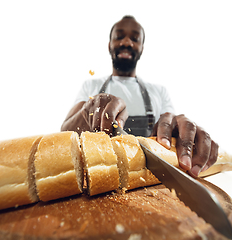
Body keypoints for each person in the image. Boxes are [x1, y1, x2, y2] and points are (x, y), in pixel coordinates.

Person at [61, 15, 218, 178]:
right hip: (100, 176)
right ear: (109, 46)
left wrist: (184, 136)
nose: (126, 43)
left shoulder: (159, 91)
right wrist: (87, 111)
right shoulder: (90, 86)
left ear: (142, 48)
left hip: (149, 179)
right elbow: (64, 134)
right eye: (119, 37)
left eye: (134, 39)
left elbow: (172, 130)